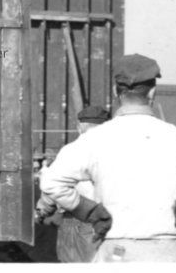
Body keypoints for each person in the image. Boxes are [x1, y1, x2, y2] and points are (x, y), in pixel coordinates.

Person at [40, 54, 176, 262]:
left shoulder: (93, 140)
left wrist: (90, 211)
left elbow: (51, 182)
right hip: (167, 253)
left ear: (115, 91)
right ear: (153, 92)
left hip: (116, 252)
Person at [36, 105, 111, 262]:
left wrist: (42, 212)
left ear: (79, 127)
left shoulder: (73, 149)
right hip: (113, 221)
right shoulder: (119, 150)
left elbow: (52, 188)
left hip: (79, 221)